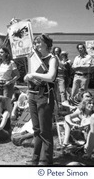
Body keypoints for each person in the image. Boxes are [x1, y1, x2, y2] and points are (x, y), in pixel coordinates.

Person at [24, 34, 58, 165]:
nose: (37, 45)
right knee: (36, 130)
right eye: (36, 43)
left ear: (47, 44)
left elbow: (50, 76)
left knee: (45, 130)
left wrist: (33, 74)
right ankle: (35, 159)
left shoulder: (52, 58)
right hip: (32, 95)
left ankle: (46, 160)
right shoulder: (35, 59)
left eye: (39, 43)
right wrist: (29, 78)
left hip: (44, 96)